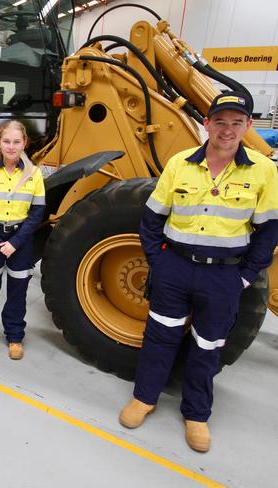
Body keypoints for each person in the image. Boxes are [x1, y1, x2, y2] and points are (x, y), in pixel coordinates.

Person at [119, 91, 278, 452]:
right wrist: (159, 262)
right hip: (174, 268)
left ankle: (196, 414)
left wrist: (243, 276)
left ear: (248, 126)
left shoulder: (264, 171)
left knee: (208, 345)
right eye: (220, 121)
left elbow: (269, 231)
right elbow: (152, 218)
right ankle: (145, 398)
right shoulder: (180, 164)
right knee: (160, 336)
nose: (227, 129)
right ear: (207, 123)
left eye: (236, 122)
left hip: (223, 276)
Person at [0, 120, 46, 359]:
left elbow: (37, 213)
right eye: (7, 141)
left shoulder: (34, 175)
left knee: (17, 292)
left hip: (21, 240)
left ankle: (15, 337)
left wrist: (15, 242)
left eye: (16, 142)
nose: (11, 147)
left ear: (24, 143)